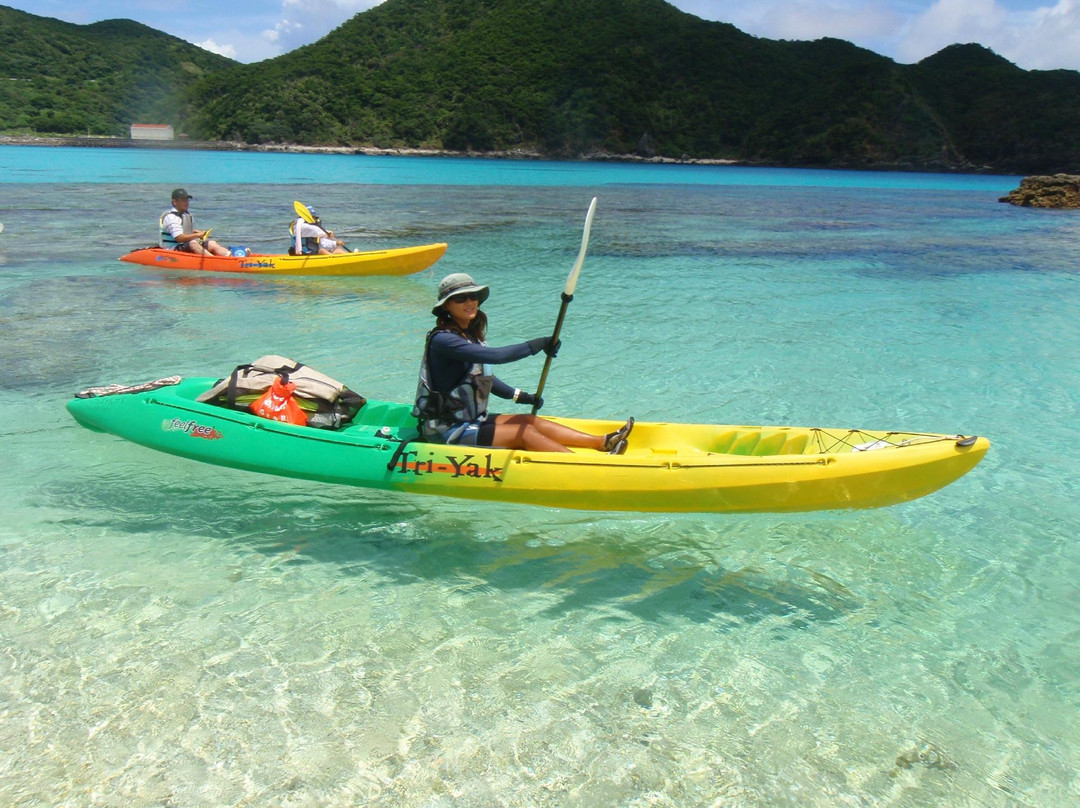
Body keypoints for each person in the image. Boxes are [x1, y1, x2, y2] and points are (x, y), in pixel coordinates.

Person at [413, 273, 634, 454]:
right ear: (446, 307)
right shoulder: (444, 340)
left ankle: (602, 442)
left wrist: (520, 396)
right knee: (524, 433)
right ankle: (582, 465)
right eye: (461, 298)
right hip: (447, 430)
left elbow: (482, 378)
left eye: (473, 296)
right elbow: (496, 356)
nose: (469, 302)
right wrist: (536, 344)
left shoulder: (468, 336)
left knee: (529, 421)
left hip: (471, 420)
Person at [159, 188, 230, 256]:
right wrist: (197, 235)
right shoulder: (171, 217)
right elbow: (179, 238)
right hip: (171, 250)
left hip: (184, 246)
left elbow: (183, 232)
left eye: (187, 200)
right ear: (174, 202)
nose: (186, 202)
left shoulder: (187, 215)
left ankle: (231, 257)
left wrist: (195, 232)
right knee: (193, 243)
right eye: (183, 200)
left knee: (212, 243)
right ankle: (213, 260)